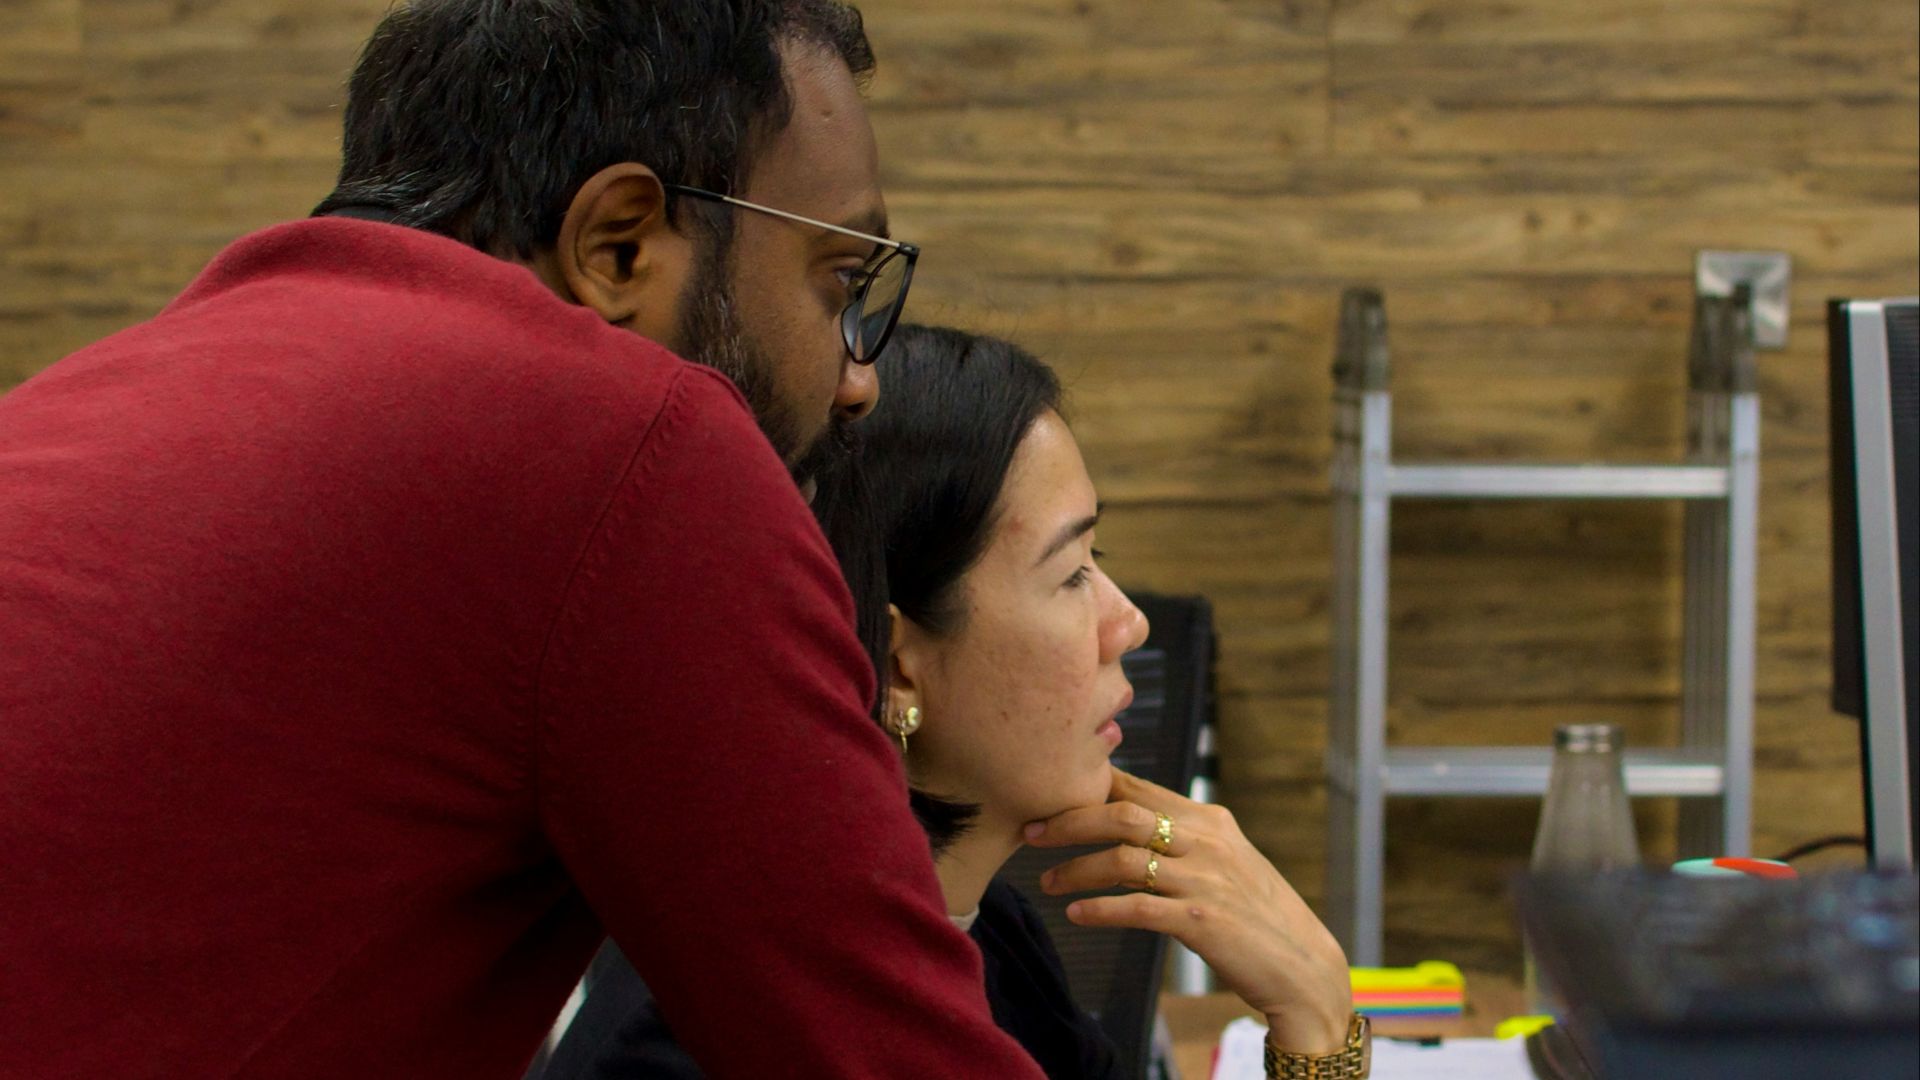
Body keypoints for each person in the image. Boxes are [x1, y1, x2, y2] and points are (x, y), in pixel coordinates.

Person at [0, 4, 1045, 1078]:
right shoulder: (634, 441)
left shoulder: (111, 384)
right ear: (619, 243)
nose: (861, 378)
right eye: (841, 282)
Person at [554, 326, 1363, 1080]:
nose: (1131, 622)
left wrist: (1314, 1005)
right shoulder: (705, 1040)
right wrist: (1316, 1027)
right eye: (1072, 572)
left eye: (1098, 557)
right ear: (896, 664)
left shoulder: (989, 938)